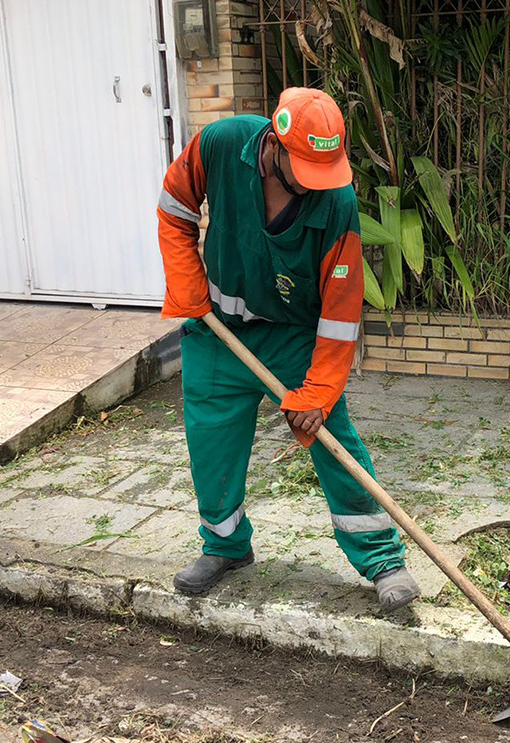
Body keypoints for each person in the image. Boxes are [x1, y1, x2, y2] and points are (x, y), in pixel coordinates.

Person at [156, 87, 420, 612]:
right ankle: (226, 546)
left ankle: (382, 559)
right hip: (217, 331)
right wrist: (186, 286)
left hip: (292, 337)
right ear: (274, 144)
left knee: (331, 439)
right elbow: (173, 206)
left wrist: (319, 390)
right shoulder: (220, 144)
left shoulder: (336, 198)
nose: (311, 183)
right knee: (211, 444)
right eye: (302, 167)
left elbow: (342, 310)